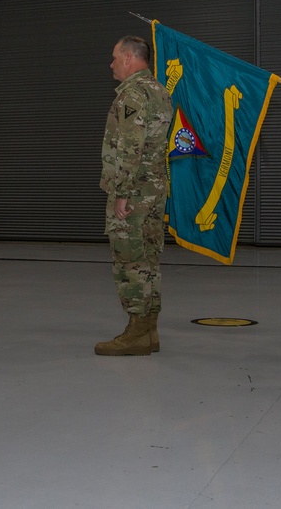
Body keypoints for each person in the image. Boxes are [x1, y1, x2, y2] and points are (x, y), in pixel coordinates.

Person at [94, 36, 173, 356]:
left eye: (114, 57)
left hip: (135, 191)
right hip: (154, 189)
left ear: (129, 57)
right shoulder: (159, 91)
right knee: (148, 259)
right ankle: (149, 331)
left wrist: (121, 193)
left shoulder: (132, 94)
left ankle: (137, 331)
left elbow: (129, 148)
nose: (111, 64)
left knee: (130, 260)